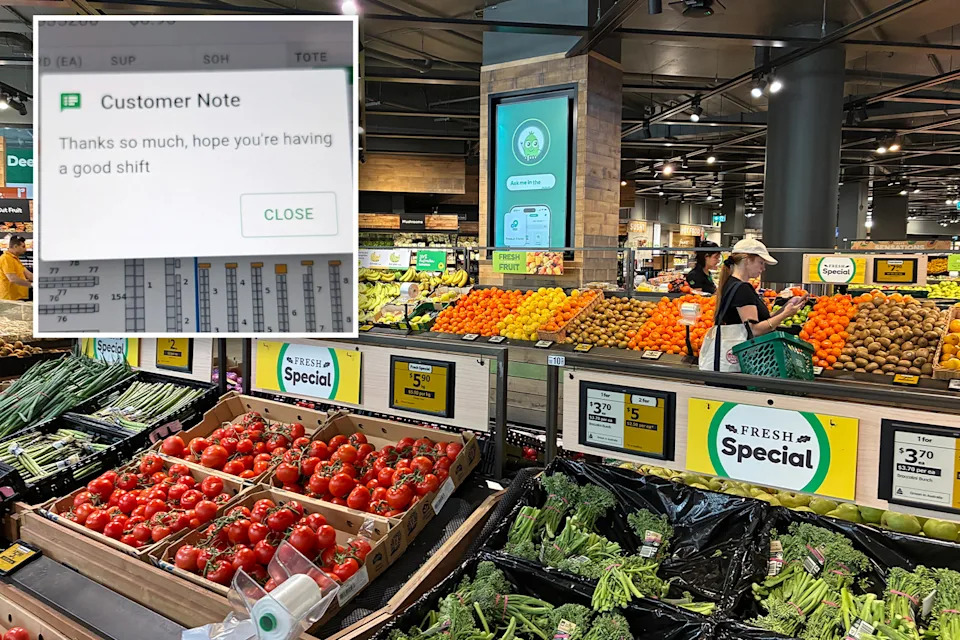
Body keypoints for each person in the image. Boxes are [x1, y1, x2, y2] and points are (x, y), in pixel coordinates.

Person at [715, 238, 803, 335]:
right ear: (747, 260)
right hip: (746, 349)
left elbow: (762, 319)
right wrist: (785, 315)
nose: (763, 268)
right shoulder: (742, 289)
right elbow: (754, 330)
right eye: (761, 262)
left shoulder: (731, 283)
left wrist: (785, 309)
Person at [0, 235, 32, 301]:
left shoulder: (15, 259)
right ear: (15, 247)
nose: (25, 249)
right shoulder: (6, 258)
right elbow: (12, 278)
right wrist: (31, 284)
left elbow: (28, 274)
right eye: (23, 246)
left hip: (19, 297)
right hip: (10, 299)